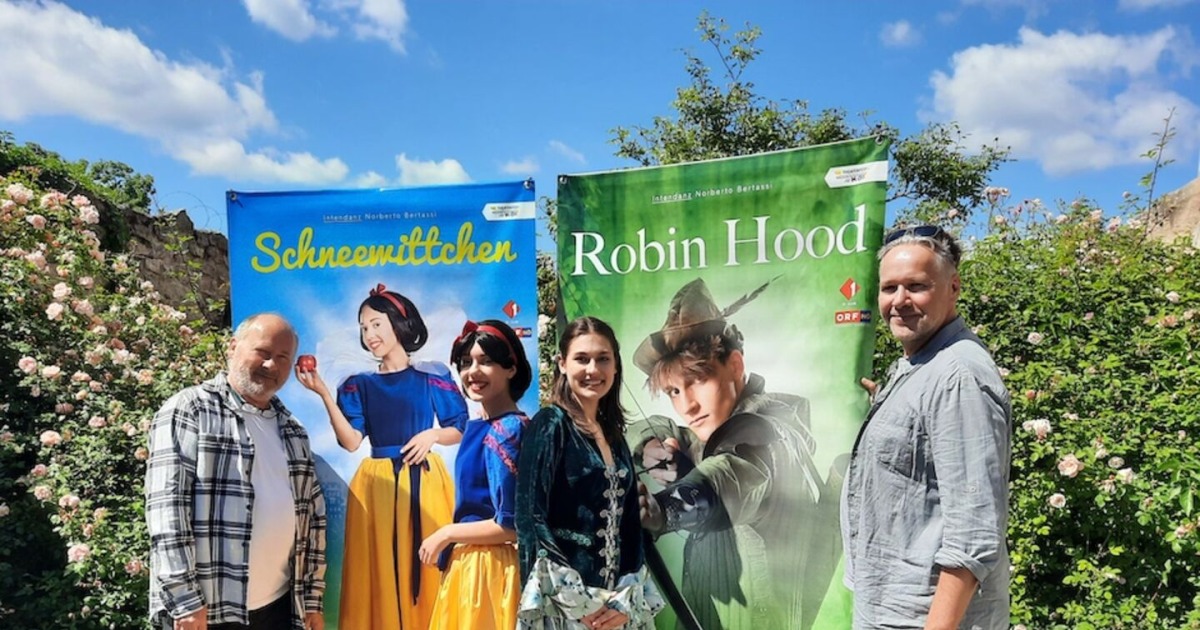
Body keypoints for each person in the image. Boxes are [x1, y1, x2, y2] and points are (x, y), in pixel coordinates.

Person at [632, 278, 839, 630]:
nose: (687, 405)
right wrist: (650, 443)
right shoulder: (709, 433)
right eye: (674, 391)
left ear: (735, 366)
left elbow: (731, 475)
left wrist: (663, 510)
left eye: (698, 379)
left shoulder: (765, 436)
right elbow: (652, 427)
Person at [841, 225, 1012, 629]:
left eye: (916, 286)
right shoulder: (923, 363)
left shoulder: (958, 376)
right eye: (889, 288)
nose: (899, 301)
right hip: (888, 605)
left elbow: (972, 536)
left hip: (920, 618)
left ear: (953, 287)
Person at [295, 284, 468, 630]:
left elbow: (459, 428)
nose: (369, 334)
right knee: (378, 569)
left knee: (432, 563)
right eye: (363, 328)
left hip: (425, 480)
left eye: (376, 324)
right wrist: (324, 394)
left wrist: (432, 435)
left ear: (399, 324)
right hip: (377, 485)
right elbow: (350, 442)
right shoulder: (358, 384)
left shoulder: (432, 375)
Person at [146, 313, 326, 630]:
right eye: (263, 352)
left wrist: (310, 601)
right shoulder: (190, 409)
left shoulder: (293, 430)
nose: (271, 365)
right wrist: (185, 602)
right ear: (233, 347)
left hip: (279, 607)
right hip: (208, 612)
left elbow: (313, 519)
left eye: (282, 357)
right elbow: (166, 512)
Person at [516, 316, 664, 630]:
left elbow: (630, 525)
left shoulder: (615, 435)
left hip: (615, 607)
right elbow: (530, 517)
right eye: (582, 359)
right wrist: (576, 602)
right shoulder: (551, 425)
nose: (593, 370)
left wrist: (625, 598)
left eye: (603, 359)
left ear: (615, 366)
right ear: (562, 364)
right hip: (566, 607)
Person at [418, 320, 533, 629]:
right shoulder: (483, 426)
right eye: (466, 362)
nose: (472, 372)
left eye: (486, 361)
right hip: (471, 568)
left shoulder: (508, 430)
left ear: (511, 368)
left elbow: (511, 526)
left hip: (491, 572)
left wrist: (447, 533)